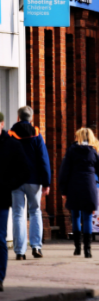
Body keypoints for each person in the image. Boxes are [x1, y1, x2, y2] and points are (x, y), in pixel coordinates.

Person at [58, 128, 99, 259]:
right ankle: (88, 250)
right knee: (87, 217)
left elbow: (64, 171)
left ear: (78, 137)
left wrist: (63, 190)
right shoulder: (94, 151)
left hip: (73, 186)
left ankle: (77, 248)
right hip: (89, 185)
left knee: (75, 216)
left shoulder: (71, 151)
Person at [8, 106, 51, 260]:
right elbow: (43, 159)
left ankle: (19, 251)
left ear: (18, 118)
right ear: (31, 118)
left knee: (18, 214)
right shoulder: (37, 135)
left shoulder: (10, 135)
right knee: (35, 212)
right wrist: (46, 182)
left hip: (15, 181)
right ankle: (36, 247)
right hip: (34, 180)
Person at [0, 112, 30, 292]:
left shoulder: (12, 145)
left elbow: (25, 171)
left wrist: (8, 185)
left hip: (1, 199)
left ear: (1, 124)